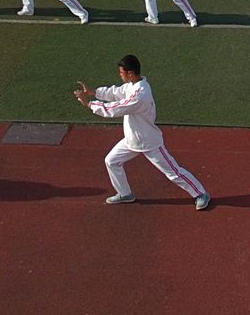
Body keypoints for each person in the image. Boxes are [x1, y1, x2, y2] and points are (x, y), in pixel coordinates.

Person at [73, 53, 210, 210]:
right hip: (132, 139)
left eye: (121, 72)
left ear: (130, 73)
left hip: (149, 141)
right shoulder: (133, 85)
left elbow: (116, 108)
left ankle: (200, 193)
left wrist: (90, 104)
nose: (120, 75)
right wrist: (94, 92)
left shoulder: (140, 94)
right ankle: (125, 194)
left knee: (173, 172)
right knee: (111, 161)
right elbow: (117, 92)